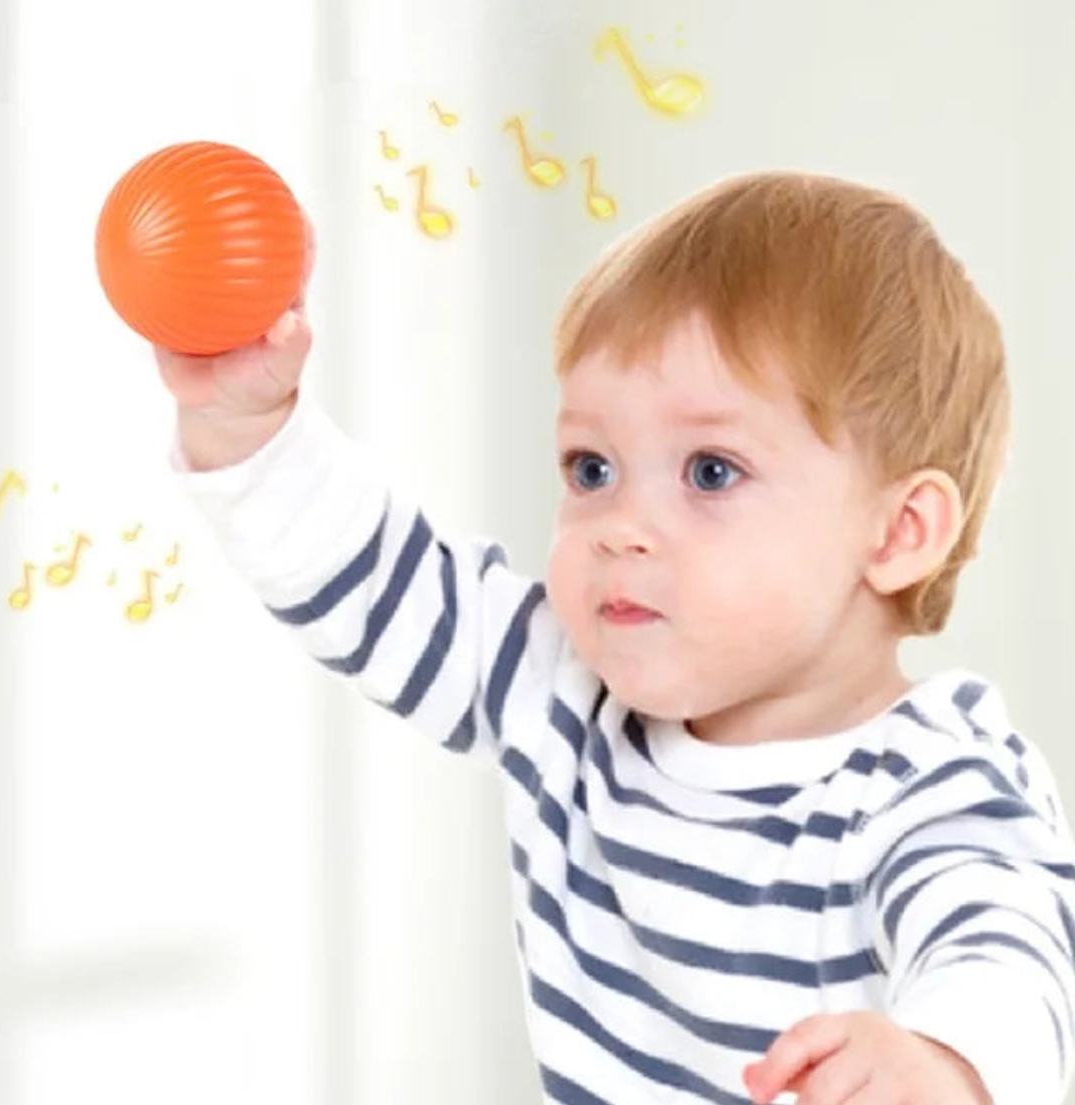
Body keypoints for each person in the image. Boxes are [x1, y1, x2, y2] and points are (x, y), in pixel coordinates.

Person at [156, 171, 1075, 1105]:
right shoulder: (563, 690)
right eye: (591, 467)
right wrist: (248, 423)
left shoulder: (929, 786)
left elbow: (1003, 944)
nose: (620, 524)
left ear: (896, 532)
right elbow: (375, 577)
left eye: (711, 471)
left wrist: (949, 1064)